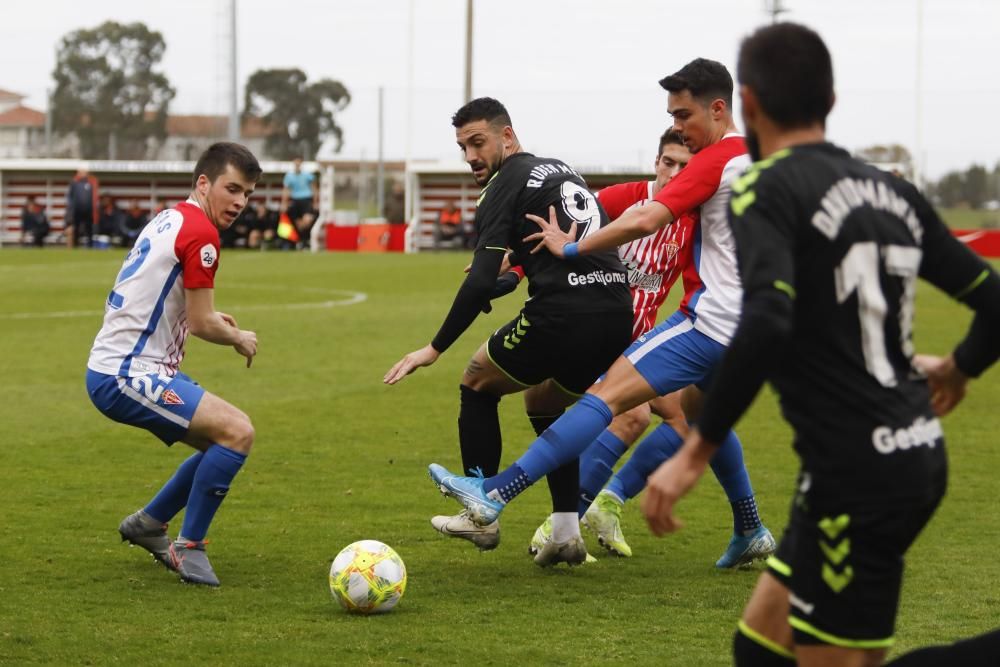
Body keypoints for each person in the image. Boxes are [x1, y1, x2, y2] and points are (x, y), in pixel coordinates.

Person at [639, 23, 1000, 667]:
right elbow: (992, 300)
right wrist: (959, 366)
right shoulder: (892, 190)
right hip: (892, 455)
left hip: (859, 473)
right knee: (758, 648)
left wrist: (697, 450)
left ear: (746, 105)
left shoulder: (762, 188)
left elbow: (770, 315)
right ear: (829, 102)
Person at [429, 59, 775, 569]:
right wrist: (520, 268)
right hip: (752, 328)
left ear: (718, 108)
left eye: (682, 115)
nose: (677, 127)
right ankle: (749, 527)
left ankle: (498, 494)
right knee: (699, 416)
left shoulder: (712, 165)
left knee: (608, 400)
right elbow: (587, 210)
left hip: (707, 323)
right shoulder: (758, 161)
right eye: (670, 133)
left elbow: (645, 219)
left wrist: (573, 251)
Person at [385, 97, 633, 566]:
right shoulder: (559, 170)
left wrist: (433, 348)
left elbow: (479, 276)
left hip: (563, 313)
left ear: (507, 136)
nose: (471, 156)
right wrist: (506, 281)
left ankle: (481, 512)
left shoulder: (505, 181)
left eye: (478, 143)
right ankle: (564, 532)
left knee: (477, 380)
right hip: (615, 313)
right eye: (463, 147)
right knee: (545, 402)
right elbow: (542, 250)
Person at [85, 142, 262, 587]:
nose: (240, 202)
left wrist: (211, 318)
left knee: (216, 445)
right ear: (204, 183)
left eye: (248, 194)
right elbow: (201, 323)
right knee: (237, 432)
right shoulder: (202, 233)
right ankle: (190, 546)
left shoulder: (172, 216)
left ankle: (149, 524)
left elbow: (166, 296)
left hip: (125, 363)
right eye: (233, 189)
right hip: (127, 372)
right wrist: (238, 337)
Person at [281, 157, 317, 232]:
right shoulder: (289, 176)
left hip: (306, 200)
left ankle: (305, 238)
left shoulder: (308, 175)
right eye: (296, 163)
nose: (297, 165)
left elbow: (314, 189)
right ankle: (301, 241)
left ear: (301, 164)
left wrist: (315, 202)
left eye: (299, 163)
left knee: (307, 221)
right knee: (298, 223)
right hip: (295, 200)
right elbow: (286, 190)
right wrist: (284, 203)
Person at [65, 167, 99, 248]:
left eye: (85, 172)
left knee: (89, 229)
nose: (84, 174)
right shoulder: (74, 183)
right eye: (82, 172)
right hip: (77, 211)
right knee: (76, 228)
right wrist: (71, 209)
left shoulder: (91, 182)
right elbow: (70, 196)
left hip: (88, 211)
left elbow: (94, 197)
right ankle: (75, 245)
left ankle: (90, 246)